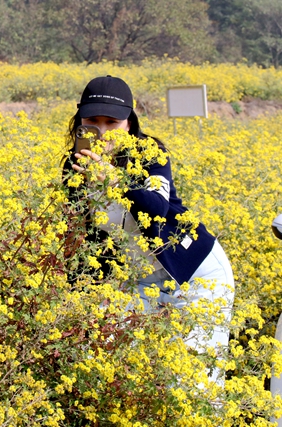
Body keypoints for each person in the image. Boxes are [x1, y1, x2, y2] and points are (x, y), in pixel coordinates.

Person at [62, 75, 235, 385]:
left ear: (129, 122)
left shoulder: (150, 154)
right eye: (92, 120)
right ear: (80, 120)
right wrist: (79, 299)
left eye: (111, 122)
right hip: (140, 281)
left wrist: (113, 177)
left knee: (192, 383)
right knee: (98, 364)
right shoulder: (74, 166)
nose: (101, 131)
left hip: (195, 276)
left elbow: (155, 209)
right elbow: (80, 237)